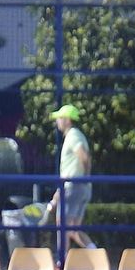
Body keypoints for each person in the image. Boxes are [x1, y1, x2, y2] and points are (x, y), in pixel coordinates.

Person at [45, 102, 93, 253]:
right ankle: (96, 254)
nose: (57, 121)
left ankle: (63, 261)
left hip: (74, 186)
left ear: (67, 120)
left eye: (60, 118)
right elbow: (70, 169)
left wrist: (84, 179)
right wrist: (56, 197)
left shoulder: (73, 136)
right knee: (73, 229)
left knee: (63, 225)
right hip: (76, 186)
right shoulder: (75, 135)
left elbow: (84, 157)